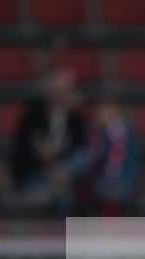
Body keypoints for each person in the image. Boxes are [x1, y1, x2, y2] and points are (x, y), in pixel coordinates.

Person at [8, 67, 92, 216]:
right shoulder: (35, 112)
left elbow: (83, 148)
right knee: (62, 192)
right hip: (36, 176)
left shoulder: (73, 117)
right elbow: (39, 151)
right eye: (59, 89)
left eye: (67, 89)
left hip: (64, 174)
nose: (63, 93)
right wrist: (54, 169)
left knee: (84, 158)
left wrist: (79, 112)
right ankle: (58, 233)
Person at [89, 98, 140, 216]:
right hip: (107, 179)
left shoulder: (119, 130)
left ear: (115, 112)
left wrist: (109, 181)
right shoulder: (103, 131)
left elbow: (115, 162)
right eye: (100, 112)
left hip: (123, 179)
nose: (101, 115)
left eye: (105, 111)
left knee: (109, 193)